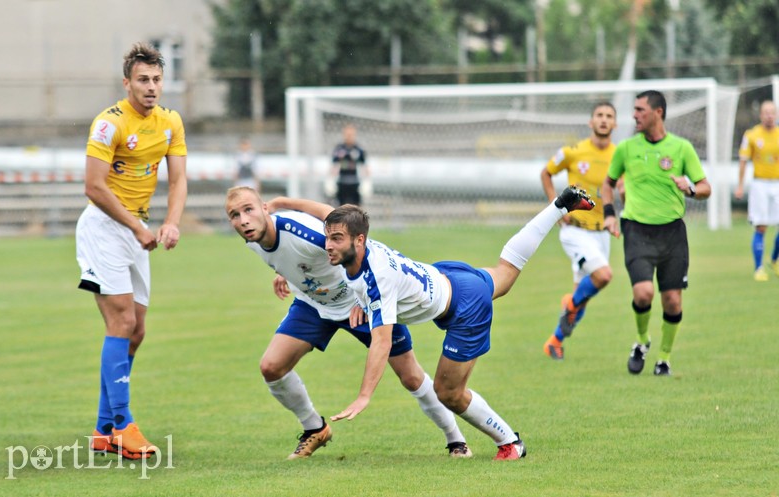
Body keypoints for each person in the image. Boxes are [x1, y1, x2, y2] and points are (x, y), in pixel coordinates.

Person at [271, 186, 595, 460]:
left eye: (336, 239)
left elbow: (381, 340)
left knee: (448, 392)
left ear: (358, 240)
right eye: (327, 237)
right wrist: (283, 206)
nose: (328, 244)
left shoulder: (376, 277)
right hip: (447, 276)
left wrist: (364, 396)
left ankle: (510, 442)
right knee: (506, 272)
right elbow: (328, 213)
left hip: (463, 309)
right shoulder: (350, 252)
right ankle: (559, 206)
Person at [225, 186, 472, 459]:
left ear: (264, 208)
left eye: (249, 209)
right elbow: (290, 257)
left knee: (411, 376)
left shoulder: (300, 230)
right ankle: (314, 429)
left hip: (360, 303)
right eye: (234, 215)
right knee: (271, 367)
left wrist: (362, 297)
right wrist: (285, 272)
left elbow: (341, 226)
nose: (243, 220)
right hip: (314, 304)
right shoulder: (253, 239)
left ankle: (456, 440)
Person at [75, 42, 188, 459]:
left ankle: (104, 429)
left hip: (136, 230)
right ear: (127, 83)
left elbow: (178, 181)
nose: (152, 87)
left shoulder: (171, 122)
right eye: (143, 79)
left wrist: (171, 222)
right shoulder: (109, 124)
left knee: (137, 331)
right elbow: (93, 186)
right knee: (122, 320)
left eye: (157, 79)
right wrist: (137, 226)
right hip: (105, 229)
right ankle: (123, 424)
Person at [600, 90, 711, 377]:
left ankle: (664, 358)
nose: (634, 115)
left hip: (673, 233)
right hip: (636, 230)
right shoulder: (625, 148)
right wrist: (610, 215)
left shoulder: (681, 148)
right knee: (644, 292)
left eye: (640, 110)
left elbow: (705, 188)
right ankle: (641, 342)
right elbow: (607, 183)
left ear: (657, 113)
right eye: (634, 109)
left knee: (672, 300)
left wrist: (689, 188)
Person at [540, 102, 618, 360]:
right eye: (599, 115)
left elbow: (624, 186)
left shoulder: (619, 155)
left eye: (609, 116)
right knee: (604, 276)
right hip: (576, 231)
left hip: (602, 234)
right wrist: (556, 210)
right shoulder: (572, 152)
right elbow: (546, 173)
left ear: (615, 124)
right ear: (590, 122)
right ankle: (569, 304)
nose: (604, 120)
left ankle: (555, 342)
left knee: (584, 295)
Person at [734, 100, 779, 281]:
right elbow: (743, 161)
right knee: (761, 226)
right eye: (766, 112)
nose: (769, 115)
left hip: (778, 183)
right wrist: (739, 185)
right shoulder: (751, 135)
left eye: (772, 112)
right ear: (761, 115)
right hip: (760, 184)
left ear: (775, 115)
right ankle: (759, 268)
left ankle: (774, 259)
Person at [330, 124, 368, 206]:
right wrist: (330, 180)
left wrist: (367, 182)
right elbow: (334, 165)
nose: (349, 136)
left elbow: (364, 165)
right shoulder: (339, 148)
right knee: (341, 207)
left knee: (356, 207)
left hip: (355, 182)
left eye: (351, 134)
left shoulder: (358, 149)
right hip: (341, 181)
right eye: (347, 134)